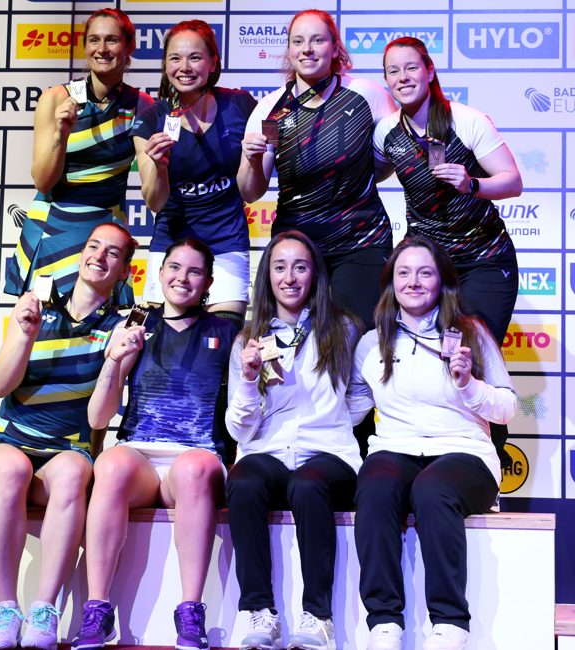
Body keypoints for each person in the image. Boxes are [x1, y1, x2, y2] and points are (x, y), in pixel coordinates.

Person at [0, 223, 137, 650]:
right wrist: (24, 335)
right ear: (80, 256)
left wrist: (114, 362)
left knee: (75, 473)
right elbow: (1, 385)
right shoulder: (35, 307)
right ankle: (5, 608)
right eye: (94, 246)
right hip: (6, 442)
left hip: (66, 448)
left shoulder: (121, 329)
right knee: (11, 468)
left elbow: (99, 418)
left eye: (112, 253)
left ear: (124, 271)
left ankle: (45, 609)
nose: (99, 256)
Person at [69, 239, 238, 650]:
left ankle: (190, 611)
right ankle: (97, 609)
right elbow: (97, 419)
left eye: (194, 271)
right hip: (141, 454)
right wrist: (114, 360)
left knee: (195, 469)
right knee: (109, 464)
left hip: (198, 456)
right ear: (159, 274)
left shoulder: (228, 330)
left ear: (208, 282)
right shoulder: (135, 324)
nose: (182, 278)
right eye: (174, 268)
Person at [352, 236, 517, 650]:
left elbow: (506, 407)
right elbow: (350, 408)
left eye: (425, 272)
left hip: (464, 452)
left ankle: (449, 624)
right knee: (374, 483)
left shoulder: (471, 333)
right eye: (403, 273)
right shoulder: (372, 343)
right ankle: (384, 623)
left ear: (442, 281)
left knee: (433, 488)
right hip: (396, 447)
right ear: (390, 283)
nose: (414, 282)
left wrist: (469, 385)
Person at [374, 36, 523, 467]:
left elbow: (512, 181)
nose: (402, 78)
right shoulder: (387, 133)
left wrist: (471, 184)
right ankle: (434, 461)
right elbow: (375, 170)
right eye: (393, 71)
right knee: (429, 361)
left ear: (429, 70)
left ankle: (489, 466)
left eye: (410, 68)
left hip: (483, 259)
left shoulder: (467, 120)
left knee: (474, 357)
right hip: (430, 266)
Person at [225, 230, 363, 650]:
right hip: (267, 450)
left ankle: (318, 618)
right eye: (279, 267)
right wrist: (249, 381)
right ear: (267, 276)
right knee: (244, 481)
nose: (289, 277)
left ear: (314, 274)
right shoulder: (247, 339)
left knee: (308, 483)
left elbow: (362, 392)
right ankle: (259, 612)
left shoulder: (344, 329)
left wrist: (335, 417)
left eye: (300, 267)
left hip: (328, 453)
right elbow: (239, 430)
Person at [236, 9, 396, 329]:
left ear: (335, 48)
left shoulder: (367, 94)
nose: (307, 49)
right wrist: (252, 159)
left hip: (361, 241)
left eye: (317, 40)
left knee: (355, 339)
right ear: (289, 50)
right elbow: (250, 191)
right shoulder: (270, 110)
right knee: (295, 345)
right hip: (298, 247)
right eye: (298, 41)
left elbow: (391, 159)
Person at [5, 8, 153, 307]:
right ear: (84, 47)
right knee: (39, 333)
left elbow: (155, 192)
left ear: (129, 48)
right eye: (94, 40)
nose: (101, 49)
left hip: (106, 231)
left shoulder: (143, 104)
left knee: (106, 335)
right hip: (52, 227)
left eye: (111, 40)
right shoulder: (57, 98)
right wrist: (61, 132)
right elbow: (43, 180)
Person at [132, 19, 257, 328]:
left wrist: (253, 159)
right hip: (171, 244)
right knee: (164, 350)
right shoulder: (151, 120)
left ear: (213, 62)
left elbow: (251, 193)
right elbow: (154, 202)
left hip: (227, 242)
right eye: (175, 58)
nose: (184, 67)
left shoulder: (240, 105)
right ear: (164, 65)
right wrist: (160, 167)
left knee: (221, 345)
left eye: (195, 57)